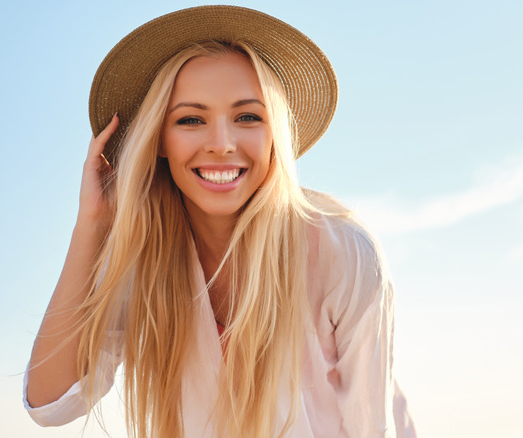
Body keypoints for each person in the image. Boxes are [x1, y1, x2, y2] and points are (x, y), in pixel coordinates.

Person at [24, 5, 416, 438]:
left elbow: (372, 424)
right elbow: (51, 403)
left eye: (248, 116)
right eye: (191, 119)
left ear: (276, 134)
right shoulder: (143, 258)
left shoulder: (342, 251)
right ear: (159, 140)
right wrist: (92, 226)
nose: (222, 144)